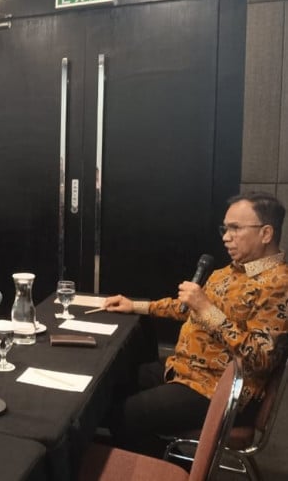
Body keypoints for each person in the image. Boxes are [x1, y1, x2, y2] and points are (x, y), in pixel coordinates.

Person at [102, 191, 288, 456]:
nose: (226, 237)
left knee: (125, 416)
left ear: (266, 233)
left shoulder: (278, 285)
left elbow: (261, 357)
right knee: (107, 385)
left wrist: (207, 309)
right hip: (184, 369)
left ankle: (171, 469)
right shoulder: (229, 271)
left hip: (220, 389)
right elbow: (187, 309)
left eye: (235, 228)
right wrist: (136, 306)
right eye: (225, 229)